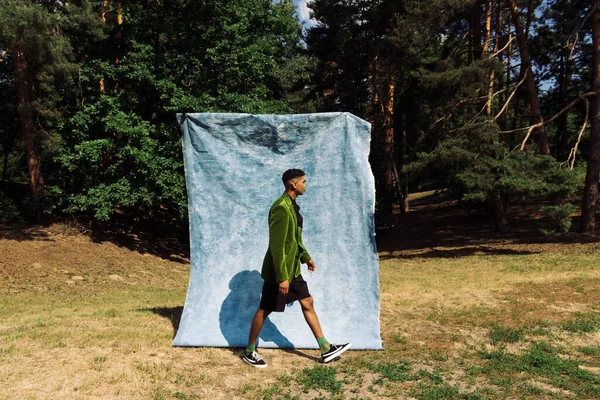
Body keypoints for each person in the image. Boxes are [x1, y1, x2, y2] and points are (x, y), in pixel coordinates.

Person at [241, 169, 351, 368]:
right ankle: (249, 351)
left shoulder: (292, 206)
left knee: (307, 301)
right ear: (293, 184)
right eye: (303, 181)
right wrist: (282, 277)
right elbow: (277, 246)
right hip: (279, 272)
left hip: (293, 270)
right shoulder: (280, 208)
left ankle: (325, 348)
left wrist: (306, 257)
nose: (305, 185)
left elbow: (294, 240)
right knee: (265, 309)